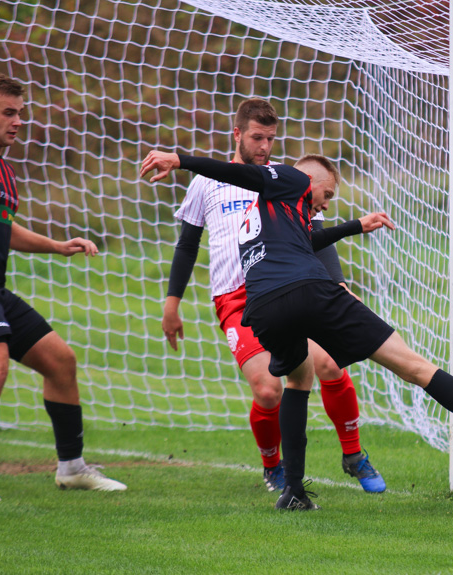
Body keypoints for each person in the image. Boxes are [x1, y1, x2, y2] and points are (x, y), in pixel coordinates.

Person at [140, 150, 453, 511]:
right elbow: (238, 175)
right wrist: (181, 160)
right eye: (327, 195)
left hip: (264, 309)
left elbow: (310, 240)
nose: (324, 205)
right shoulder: (291, 178)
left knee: (299, 381)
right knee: (415, 366)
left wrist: (357, 225)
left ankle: (295, 490)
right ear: (310, 182)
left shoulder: (264, 216)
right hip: (306, 291)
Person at [162, 98, 386, 493]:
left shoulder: (282, 179)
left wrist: (337, 282)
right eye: (256, 137)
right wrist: (172, 303)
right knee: (269, 389)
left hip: (291, 285)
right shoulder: (206, 182)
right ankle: (273, 467)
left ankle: (353, 454)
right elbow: (187, 245)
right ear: (237, 134)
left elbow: (314, 233)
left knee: (332, 364)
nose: (264, 147)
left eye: (269, 139)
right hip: (237, 299)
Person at [0, 73, 126, 502]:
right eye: (9, 112)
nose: (18, 121)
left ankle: (72, 469)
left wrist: (58, 246)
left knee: (60, 361)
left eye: (21, 112)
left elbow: (4, 230)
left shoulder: (2, 169)